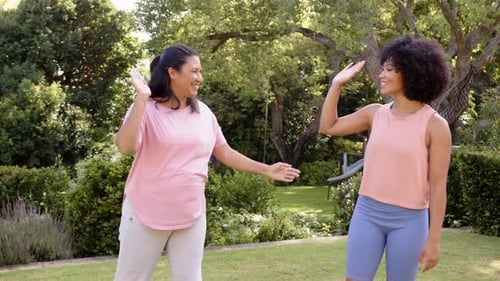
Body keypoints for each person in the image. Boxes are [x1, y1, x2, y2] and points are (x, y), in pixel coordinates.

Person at [113, 44, 300, 281]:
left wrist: (266, 169)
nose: (199, 78)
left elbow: (225, 153)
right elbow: (125, 146)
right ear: (173, 73)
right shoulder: (146, 109)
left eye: (200, 71)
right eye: (194, 71)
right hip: (145, 212)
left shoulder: (203, 113)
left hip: (191, 214)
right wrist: (141, 99)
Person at [319, 35, 451, 281]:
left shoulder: (436, 126)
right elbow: (328, 126)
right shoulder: (374, 114)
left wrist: (434, 241)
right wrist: (336, 85)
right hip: (367, 213)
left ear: (411, 73)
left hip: (410, 221)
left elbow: (437, 186)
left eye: (389, 69)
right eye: (383, 68)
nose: (382, 74)